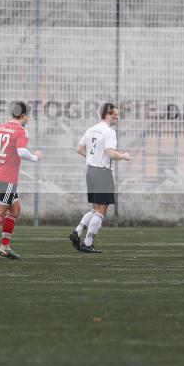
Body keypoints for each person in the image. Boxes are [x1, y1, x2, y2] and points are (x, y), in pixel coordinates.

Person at [0, 101, 42, 259]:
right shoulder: (21, 131)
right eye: (29, 116)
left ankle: (5, 247)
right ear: (24, 115)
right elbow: (21, 151)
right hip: (7, 178)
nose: (29, 119)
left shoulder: (0, 127)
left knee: (15, 209)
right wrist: (35, 157)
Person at [69, 103, 131, 254]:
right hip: (102, 172)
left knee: (96, 208)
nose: (117, 116)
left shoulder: (91, 129)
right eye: (115, 114)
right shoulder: (109, 132)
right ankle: (88, 243)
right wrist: (123, 156)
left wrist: (92, 158)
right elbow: (110, 153)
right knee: (101, 210)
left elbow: (79, 149)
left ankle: (77, 231)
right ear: (108, 114)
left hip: (90, 171)